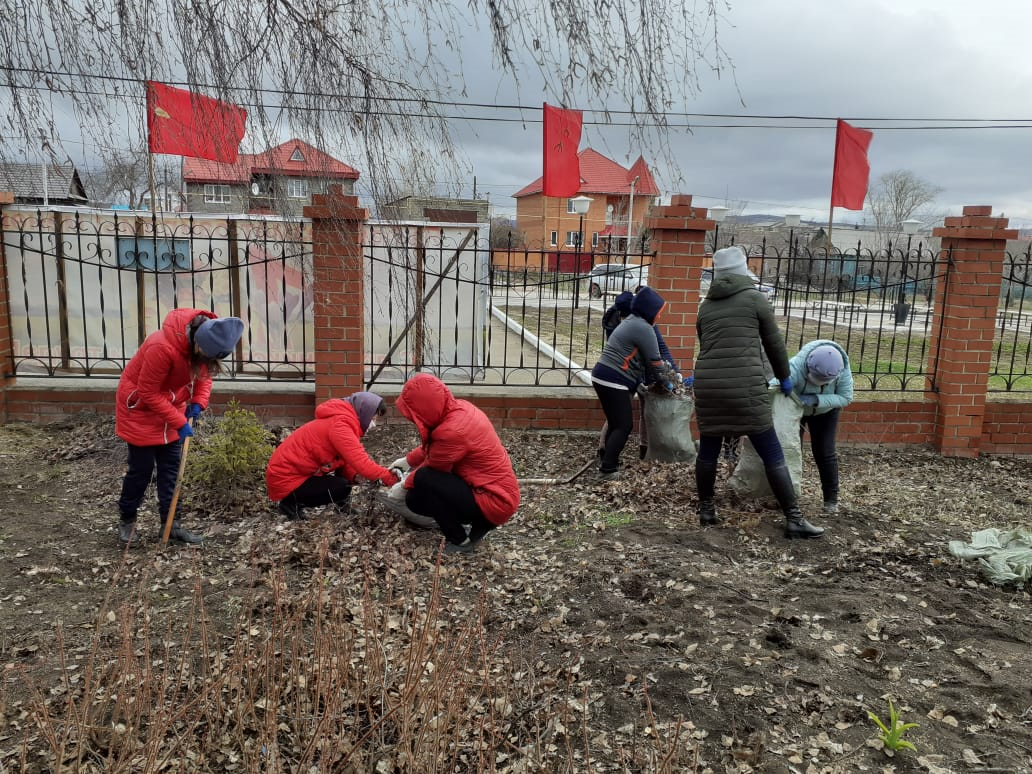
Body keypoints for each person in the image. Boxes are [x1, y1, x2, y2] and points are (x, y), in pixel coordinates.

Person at [693, 246, 824, 539]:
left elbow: (706, 344)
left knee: (709, 450)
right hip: (746, 385)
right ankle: (794, 518)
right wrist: (784, 377)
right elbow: (774, 344)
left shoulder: (706, 305)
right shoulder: (755, 299)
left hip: (709, 385)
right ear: (743, 271)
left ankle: (706, 511)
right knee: (772, 452)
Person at [115, 309, 245, 546]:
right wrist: (180, 422)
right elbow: (148, 392)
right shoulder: (161, 347)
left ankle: (171, 525)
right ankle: (127, 520)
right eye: (205, 355)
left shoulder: (205, 345)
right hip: (140, 409)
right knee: (141, 470)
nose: (206, 361)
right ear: (197, 342)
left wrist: (198, 402)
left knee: (172, 470)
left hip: (171, 405)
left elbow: (204, 375)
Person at [387, 373, 520, 554]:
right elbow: (436, 448)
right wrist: (407, 461)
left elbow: (432, 468)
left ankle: (460, 540)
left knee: (422, 481)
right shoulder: (460, 409)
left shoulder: (452, 431)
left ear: (425, 408)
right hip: (493, 493)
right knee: (415, 498)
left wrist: (402, 486)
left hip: (494, 500)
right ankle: (479, 525)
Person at [265, 392, 399, 521]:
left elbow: (344, 460)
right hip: (287, 478)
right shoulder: (340, 426)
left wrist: (355, 476)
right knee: (341, 487)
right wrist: (392, 479)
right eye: (373, 419)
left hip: (292, 473)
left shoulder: (341, 421)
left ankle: (341, 504)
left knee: (344, 484)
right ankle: (290, 504)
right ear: (364, 413)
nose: (373, 424)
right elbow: (362, 463)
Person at [591, 286, 676, 480]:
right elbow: (655, 362)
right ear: (649, 310)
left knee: (616, 423)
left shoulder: (632, 321)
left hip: (602, 375)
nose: (659, 316)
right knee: (624, 426)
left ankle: (608, 460)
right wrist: (667, 383)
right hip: (614, 379)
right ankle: (607, 470)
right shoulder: (644, 328)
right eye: (658, 312)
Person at [789, 340, 853, 515]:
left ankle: (831, 499)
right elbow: (774, 385)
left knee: (825, 452)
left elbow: (846, 397)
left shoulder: (842, 370)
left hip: (826, 411)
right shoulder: (795, 366)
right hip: (796, 410)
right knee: (791, 450)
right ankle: (788, 497)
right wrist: (781, 386)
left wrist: (816, 399)